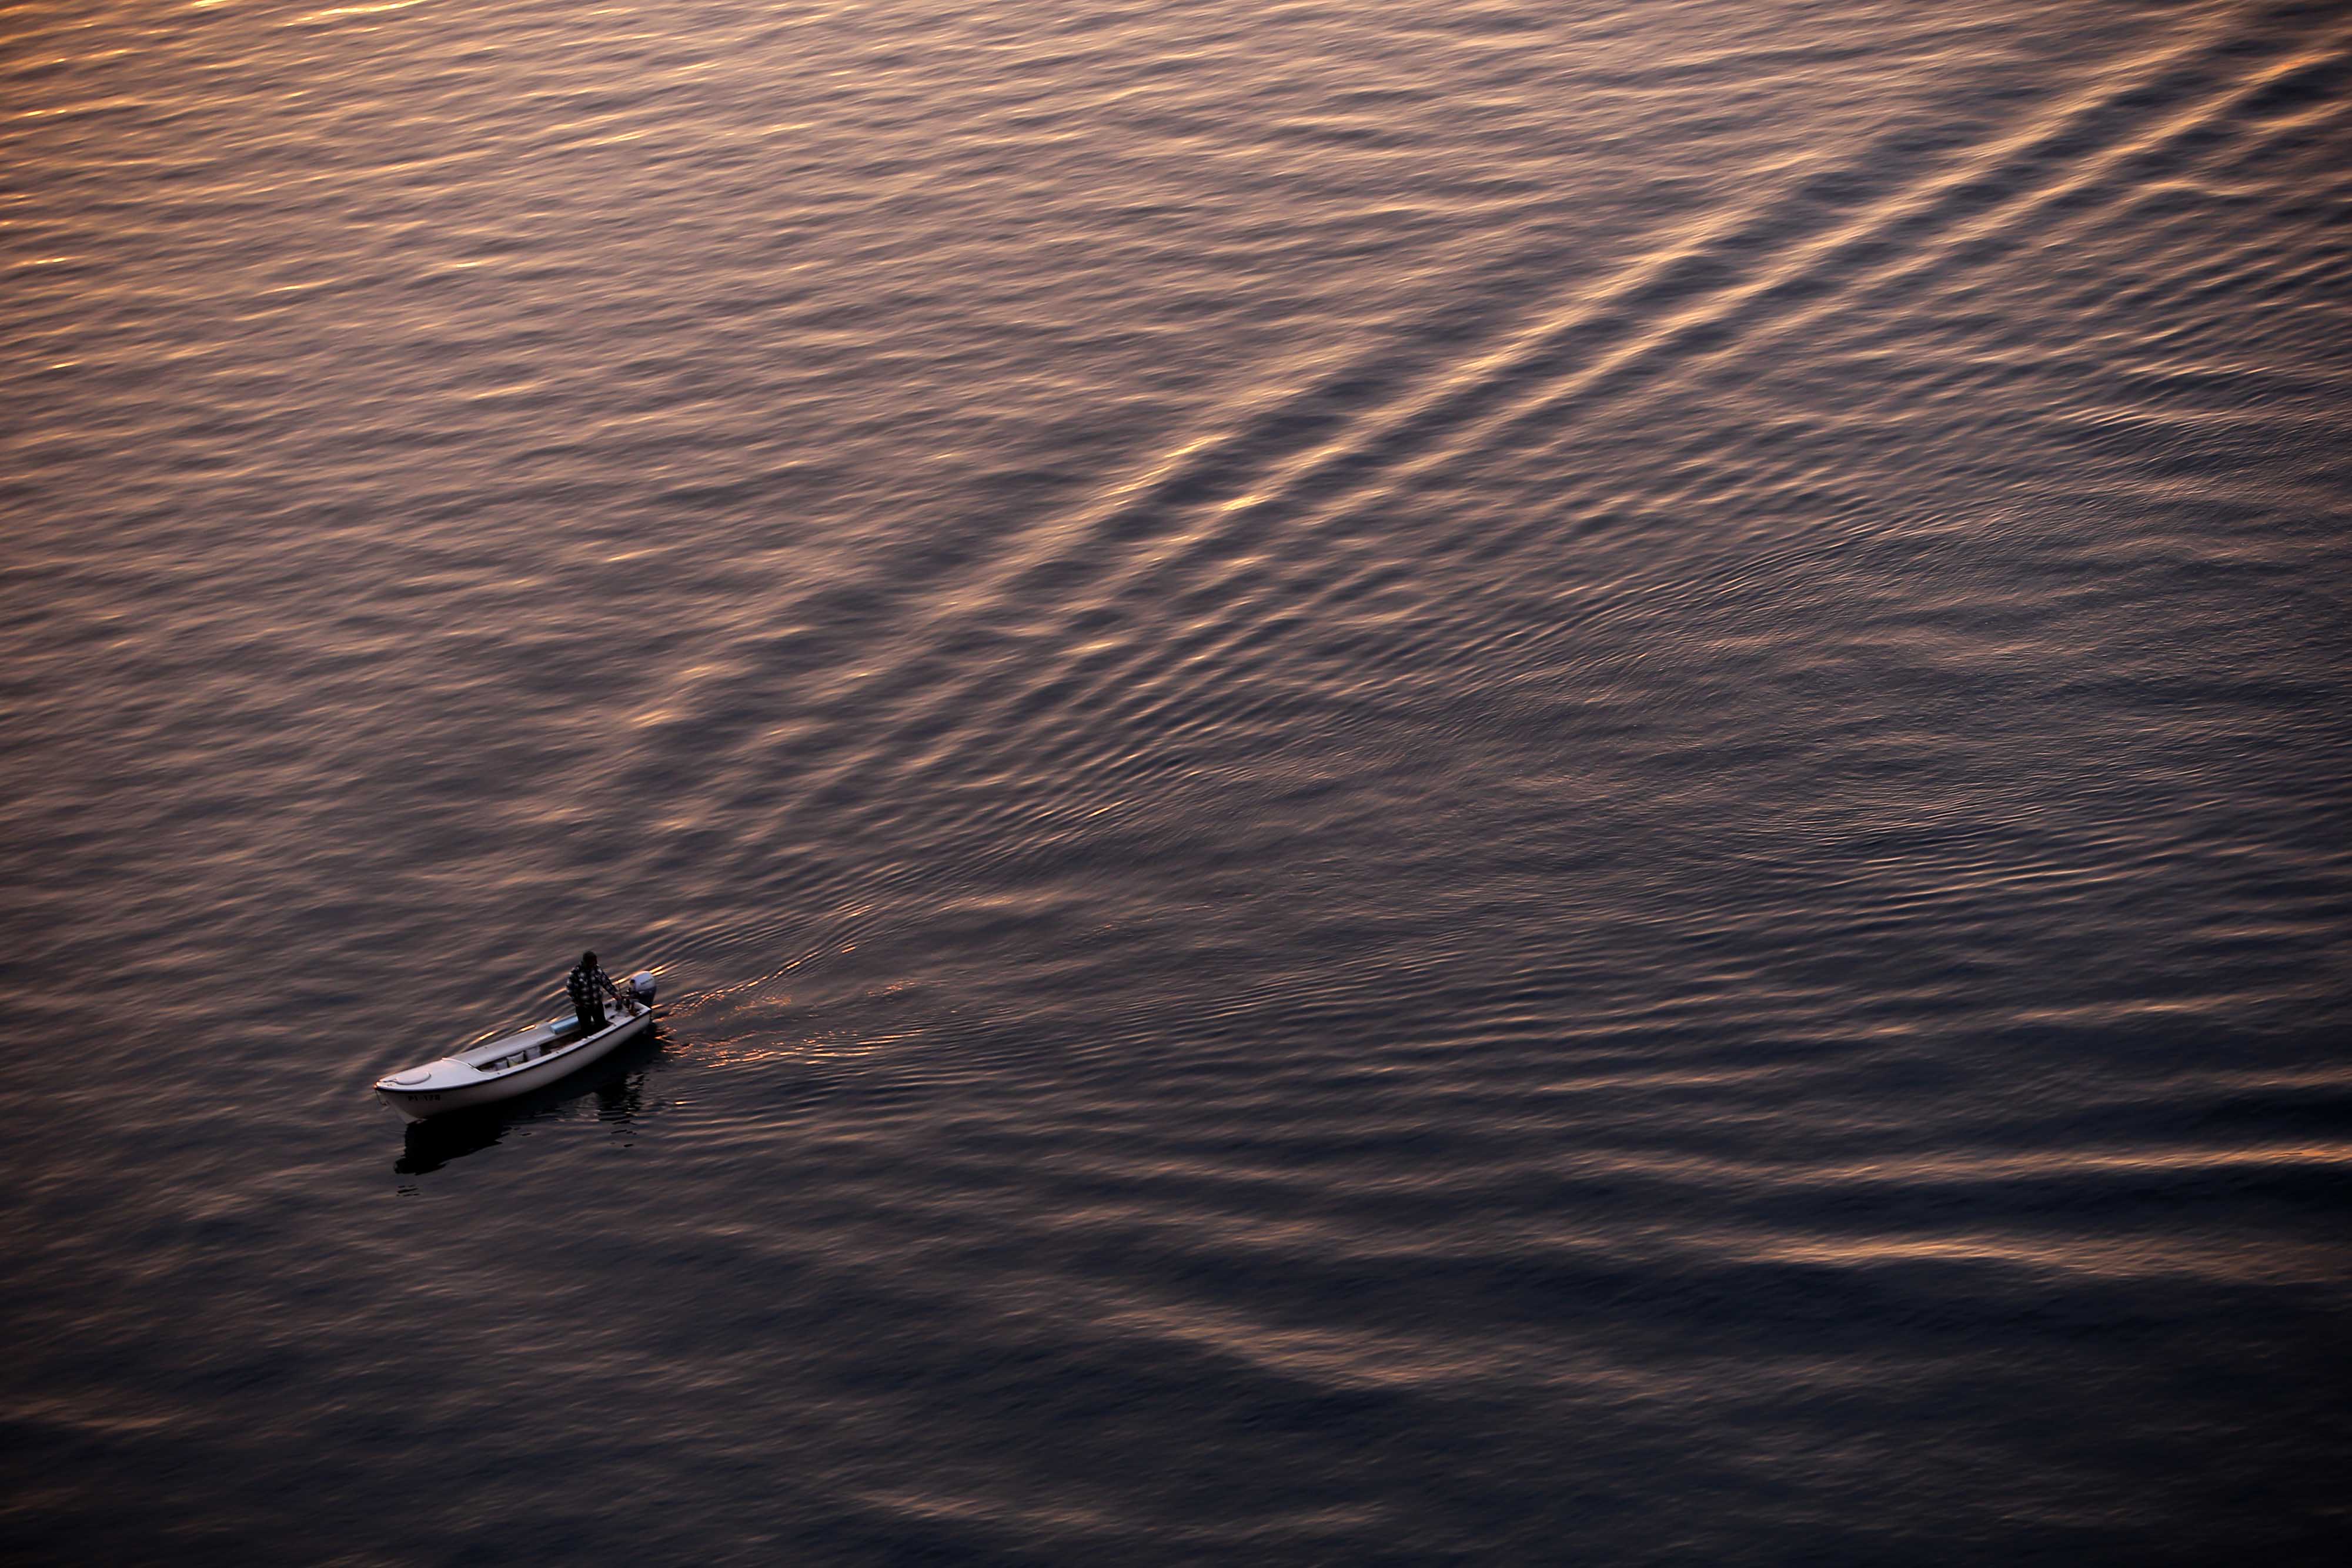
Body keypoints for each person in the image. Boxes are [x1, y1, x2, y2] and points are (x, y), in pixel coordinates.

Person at [567, 949, 622, 1035]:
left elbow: (606, 982)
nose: (594, 963)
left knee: (602, 1026)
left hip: (597, 1004)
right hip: (583, 1007)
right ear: (586, 962)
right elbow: (570, 989)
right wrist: (577, 1001)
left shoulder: (597, 969)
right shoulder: (576, 973)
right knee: (586, 1030)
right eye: (592, 962)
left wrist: (614, 994)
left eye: (595, 961)